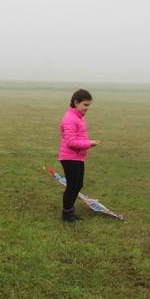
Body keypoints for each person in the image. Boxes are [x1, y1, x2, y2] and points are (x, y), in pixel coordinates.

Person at [58, 89, 101, 222]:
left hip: (77, 156)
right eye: (85, 105)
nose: (87, 108)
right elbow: (70, 142)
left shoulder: (78, 117)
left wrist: (87, 144)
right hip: (69, 157)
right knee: (73, 186)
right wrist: (89, 143)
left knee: (78, 185)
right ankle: (67, 214)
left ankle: (70, 210)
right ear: (76, 102)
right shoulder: (70, 118)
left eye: (89, 105)